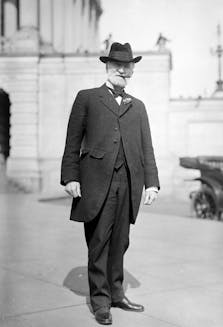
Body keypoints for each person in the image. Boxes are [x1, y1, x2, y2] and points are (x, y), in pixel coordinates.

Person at [61, 42, 160, 325]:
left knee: (120, 242)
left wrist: (151, 183)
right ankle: (101, 301)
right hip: (95, 183)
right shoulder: (87, 98)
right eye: (117, 64)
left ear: (132, 71)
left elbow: (147, 148)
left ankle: (117, 293)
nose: (122, 69)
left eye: (127, 65)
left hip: (129, 183)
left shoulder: (137, 107)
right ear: (107, 66)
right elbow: (72, 142)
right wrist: (70, 176)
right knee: (99, 242)